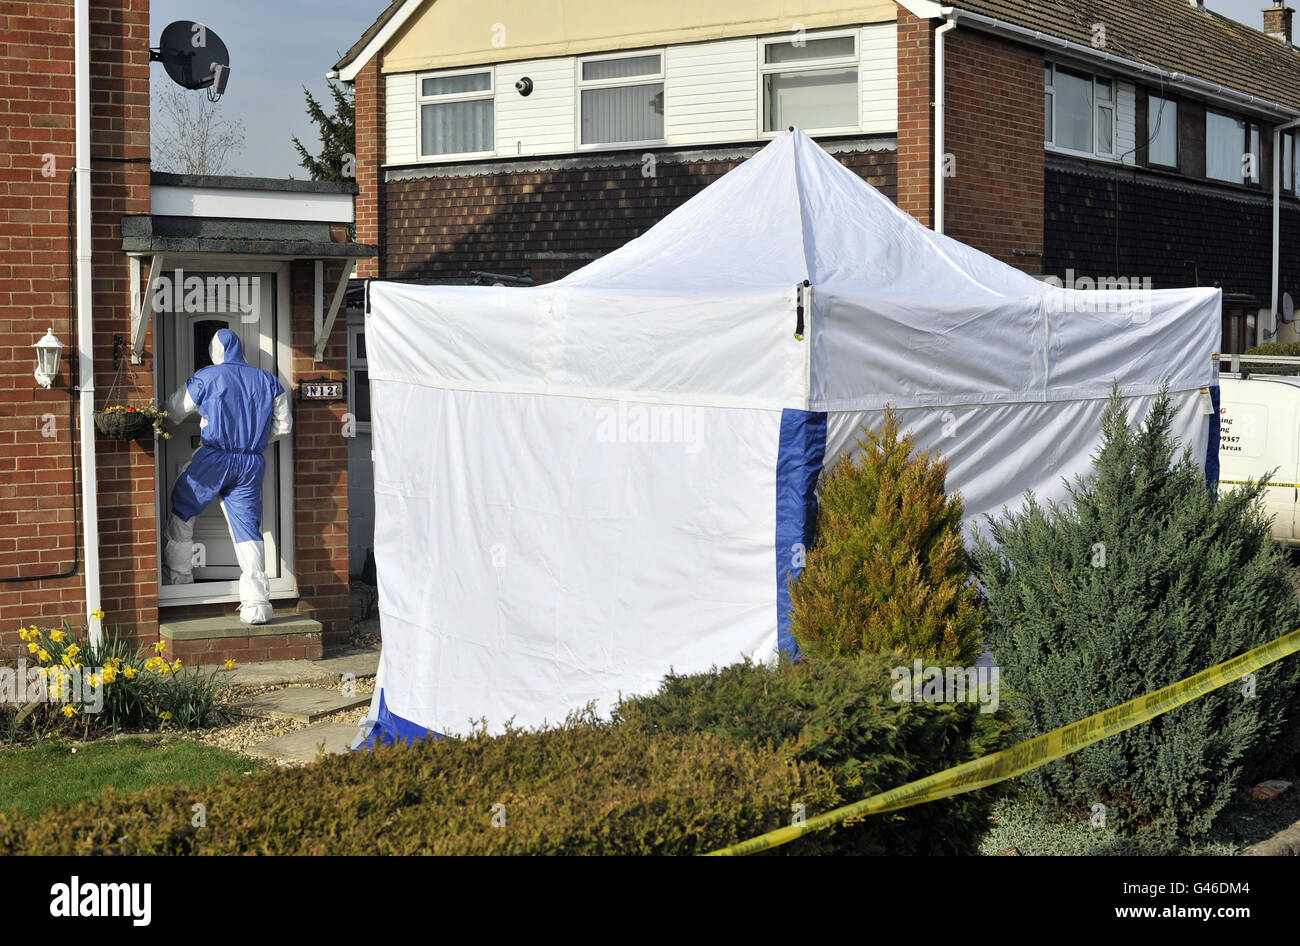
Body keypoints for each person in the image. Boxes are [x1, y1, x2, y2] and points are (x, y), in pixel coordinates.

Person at [161, 328, 292, 624]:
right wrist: (253, 441)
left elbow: (173, 411)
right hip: (251, 462)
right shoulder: (268, 380)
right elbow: (284, 426)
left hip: (213, 458)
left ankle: (179, 582)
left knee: (183, 510)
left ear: (215, 351)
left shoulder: (207, 377)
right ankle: (257, 604)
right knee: (247, 528)